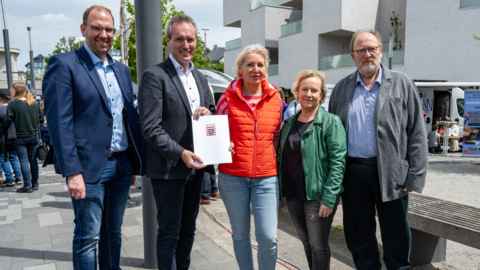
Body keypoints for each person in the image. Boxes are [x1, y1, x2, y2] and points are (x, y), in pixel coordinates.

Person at [42, 5, 146, 270]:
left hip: (121, 165)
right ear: (83, 29)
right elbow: (59, 124)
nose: (104, 34)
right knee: (88, 236)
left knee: (114, 231)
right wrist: (72, 172)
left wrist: (132, 161)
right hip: (88, 168)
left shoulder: (121, 70)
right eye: (97, 28)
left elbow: (125, 117)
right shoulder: (64, 64)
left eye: (109, 29)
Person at [328, 29, 428, 270]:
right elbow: (332, 134)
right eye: (360, 50)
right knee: (359, 238)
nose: (367, 54)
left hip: (392, 174)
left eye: (372, 48)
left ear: (380, 51)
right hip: (352, 175)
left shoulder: (402, 83)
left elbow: (416, 131)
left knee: (396, 237)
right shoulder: (341, 89)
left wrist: (415, 175)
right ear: (353, 56)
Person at [138, 14, 216, 270]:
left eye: (190, 39)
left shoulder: (200, 77)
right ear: (168, 40)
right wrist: (181, 152)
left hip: (198, 167)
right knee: (169, 232)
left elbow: (212, 113)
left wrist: (208, 114)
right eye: (180, 39)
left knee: (189, 229)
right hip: (169, 169)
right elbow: (150, 127)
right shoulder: (155, 76)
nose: (186, 45)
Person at [216, 43, 282, 270]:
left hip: (266, 178)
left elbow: (276, 137)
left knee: (268, 237)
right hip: (232, 177)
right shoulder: (226, 99)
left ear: (266, 69)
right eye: (250, 64)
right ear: (240, 68)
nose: (256, 69)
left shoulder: (276, 99)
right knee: (240, 234)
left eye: (260, 65)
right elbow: (217, 135)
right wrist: (225, 143)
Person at [278, 70, 346, 270]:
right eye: (304, 89)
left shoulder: (331, 122)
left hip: (317, 196)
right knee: (306, 243)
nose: (308, 94)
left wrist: (328, 198)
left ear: (322, 95)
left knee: (318, 245)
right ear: (297, 93)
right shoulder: (288, 124)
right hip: (293, 195)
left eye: (314, 90)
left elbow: (338, 162)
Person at [3, 83, 44, 193]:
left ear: (18, 90)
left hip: (19, 137)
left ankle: (27, 186)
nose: (10, 91)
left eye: (12, 89)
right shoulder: (34, 103)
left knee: (23, 161)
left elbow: (7, 120)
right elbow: (41, 119)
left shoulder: (13, 104)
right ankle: (35, 183)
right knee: (33, 160)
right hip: (34, 136)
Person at [0, 90, 22, 187]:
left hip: (2, 137)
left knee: (3, 157)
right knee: (13, 157)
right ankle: (18, 177)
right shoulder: (12, 108)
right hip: (13, 136)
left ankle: (9, 178)